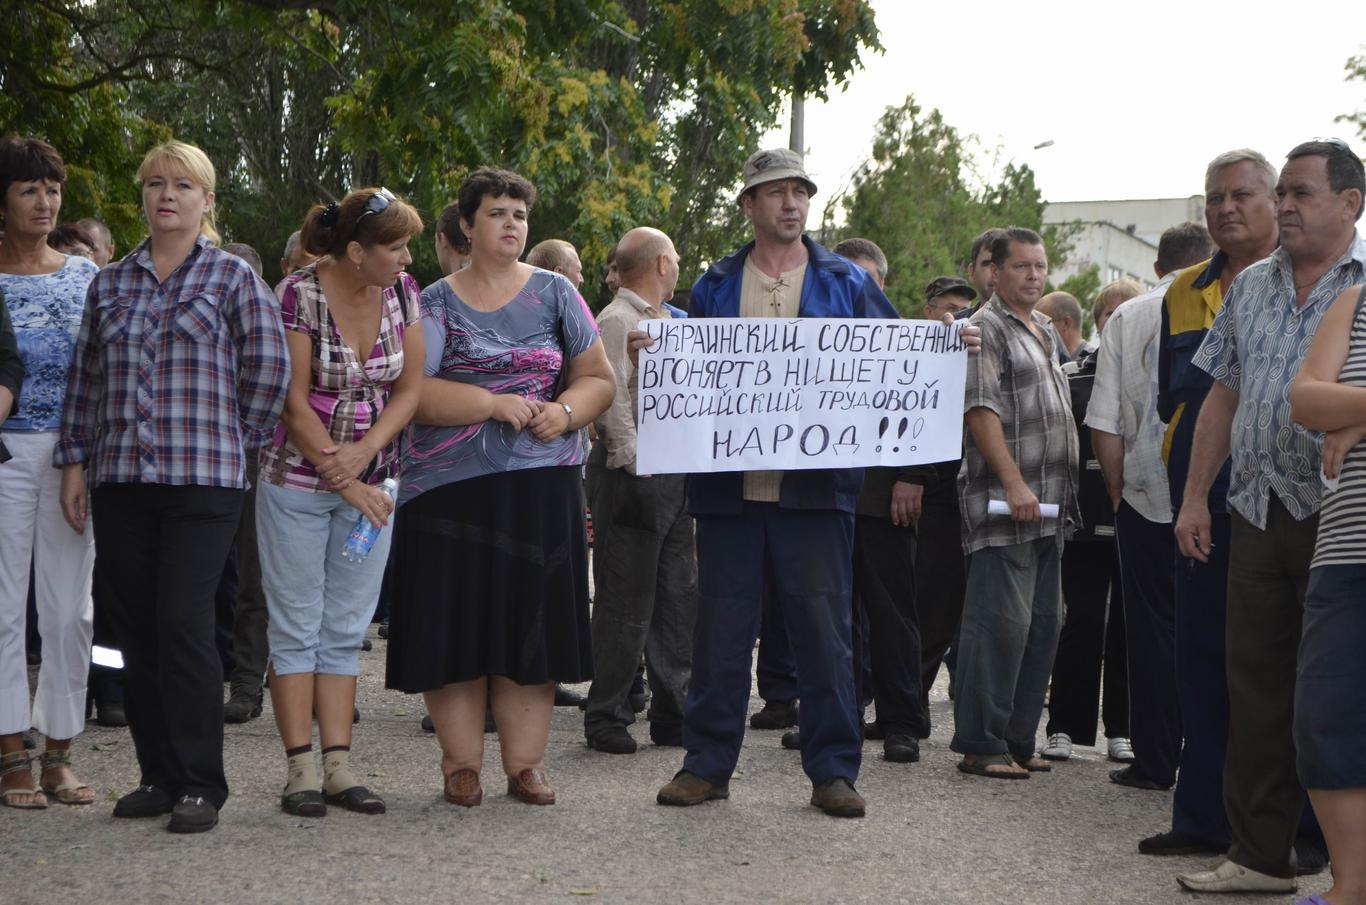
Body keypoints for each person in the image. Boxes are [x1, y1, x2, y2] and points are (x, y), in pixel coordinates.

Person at [651, 148, 901, 819]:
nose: (790, 203)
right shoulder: (714, 283)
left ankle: (832, 771)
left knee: (825, 634)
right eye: (775, 191)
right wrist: (659, 354)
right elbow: (693, 374)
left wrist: (943, 348)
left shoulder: (847, 281)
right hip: (730, 490)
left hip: (817, 491)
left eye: (800, 191)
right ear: (749, 205)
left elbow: (893, 364)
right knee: (720, 632)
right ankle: (705, 765)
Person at [55, 140, 290, 833]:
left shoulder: (231, 280)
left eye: (183, 185)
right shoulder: (112, 283)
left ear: (207, 200)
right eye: (155, 184)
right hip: (122, 477)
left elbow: (269, 371)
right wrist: (75, 461)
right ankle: (155, 773)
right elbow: (87, 381)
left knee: (184, 622)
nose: (167, 195)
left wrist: (233, 441)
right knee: (134, 627)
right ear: (143, 198)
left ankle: (200, 783)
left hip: (204, 481)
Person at [386, 167, 613, 808]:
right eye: (496, 213)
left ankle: (526, 766)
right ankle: (460, 766)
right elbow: (413, 395)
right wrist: (490, 401)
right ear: (466, 225)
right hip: (449, 488)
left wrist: (564, 412)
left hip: (543, 487)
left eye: (519, 213)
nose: (511, 223)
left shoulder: (557, 295)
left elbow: (598, 377)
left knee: (530, 628)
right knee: (456, 626)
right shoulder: (431, 301)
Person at [1174, 139, 1363, 893]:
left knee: (1338, 691)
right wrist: (1195, 495)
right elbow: (1222, 393)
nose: (1284, 205)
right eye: (1281, 192)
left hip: (1342, 515)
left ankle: (1340, 857)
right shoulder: (1249, 285)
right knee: (1254, 686)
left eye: (1302, 193)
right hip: (1255, 508)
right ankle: (1260, 855)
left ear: (1350, 203)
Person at [256, 187, 424, 817]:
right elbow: (291, 401)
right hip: (298, 483)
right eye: (397, 246)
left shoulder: (403, 293)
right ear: (357, 252)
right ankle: (299, 768)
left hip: (374, 484)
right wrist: (343, 474)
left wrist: (367, 458)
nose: (407, 258)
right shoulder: (297, 293)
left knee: (345, 629)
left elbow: (410, 390)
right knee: (296, 626)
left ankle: (338, 766)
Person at [1145, 149, 1282, 858]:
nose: (1226, 208)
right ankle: (1199, 816)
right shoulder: (1181, 292)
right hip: (1198, 501)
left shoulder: (1309, 285)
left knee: (1272, 668)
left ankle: (1289, 829)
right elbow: (1179, 397)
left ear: (1275, 201)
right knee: (1197, 657)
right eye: (1214, 198)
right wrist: (1189, 493)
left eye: (1241, 195)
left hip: (1277, 503)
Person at [1085, 224, 1212, 789]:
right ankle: (1211, 762)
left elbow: (1105, 422)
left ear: (1158, 268)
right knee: (1214, 629)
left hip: (1145, 493)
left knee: (1150, 631)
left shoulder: (1128, 317)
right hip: (1215, 494)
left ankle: (1157, 759)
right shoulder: (1227, 301)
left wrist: (1117, 491)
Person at [953, 226, 1078, 780]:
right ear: (995, 272)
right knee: (999, 623)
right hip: (1005, 503)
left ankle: (1018, 740)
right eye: (1022, 267)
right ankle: (982, 743)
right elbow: (981, 410)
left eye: (1040, 266)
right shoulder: (984, 329)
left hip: (1053, 505)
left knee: (1045, 624)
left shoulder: (1047, 328)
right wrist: (1013, 483)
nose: (1033, 276)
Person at [0, 137, 99, 809]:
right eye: (29, 189)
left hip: (71, 457)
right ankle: (10, 749)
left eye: (53, 189)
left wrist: (85, 456)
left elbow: (100, 376)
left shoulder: (85, 277)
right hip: (4, 455)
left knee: (69, 610)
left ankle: (61, 747)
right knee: (3, 608)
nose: (44, 202)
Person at [582, 226, 696, 755]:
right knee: (626, 599)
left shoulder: (669, 323)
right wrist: (632, 461)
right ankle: (607, 714)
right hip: (633, 472)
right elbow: (609, 397)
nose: (677, 266)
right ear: (657, 266)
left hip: (672, 472)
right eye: (672, 258)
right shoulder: (616, 319)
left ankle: (673, 713)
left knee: (676, 596)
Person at [832, 237, 931, 763]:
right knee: (831, 616)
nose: (852, 290)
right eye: (842, 278)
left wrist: (912, 475)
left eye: (863, 280)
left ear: (882, 285)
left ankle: (901, 722)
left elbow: (921, 405)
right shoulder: (813, 337)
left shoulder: (903, 340)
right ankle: (836, 715)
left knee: (892, 614)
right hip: (827, 497)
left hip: (885, 495)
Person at [1290, 278, 1366, 905]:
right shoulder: (1357, 300)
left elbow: (1330, 400)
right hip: (1344, 550)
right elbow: (1306, 400)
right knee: (1325, 719)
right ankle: (1352, 887)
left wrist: (1355, 407)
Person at [1039, 288, 1129, 767]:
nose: (1118, 322)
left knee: (1128, 628)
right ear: (1097, 321)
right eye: (1110, 315)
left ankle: (1123, 727)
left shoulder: (1153, 377)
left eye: (1126, 315)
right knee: (1082, 621)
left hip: (1137, 520)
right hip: (1082, 522)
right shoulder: (1072, 376)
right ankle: (1065, 728)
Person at [915, 276, 977, 721]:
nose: (957, 316)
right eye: (949, 306)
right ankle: (909, 700)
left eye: (964, 308)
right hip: (934, 492)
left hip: (973, 494)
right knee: (930, 607)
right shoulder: (913, 350)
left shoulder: (976, 348)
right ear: (929, 310)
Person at [221, 241, 271, 724]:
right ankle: (242, 680)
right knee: (229, 581)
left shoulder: (274, 317)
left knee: (257, 579)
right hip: (211, 457)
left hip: (263, 455)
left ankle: (252, 683)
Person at [1036, 291, 1090, 359]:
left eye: (1043, 325)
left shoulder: (1096, 363)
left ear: (1066, 323)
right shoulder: (1048, 363)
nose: (1036, 332)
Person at [967, 228, 1006, 303]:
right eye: (988, 264)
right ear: (972, 272)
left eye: (1002, 264)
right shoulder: (955, 315)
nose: (996, 272)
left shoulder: (1033, 315)